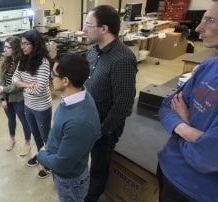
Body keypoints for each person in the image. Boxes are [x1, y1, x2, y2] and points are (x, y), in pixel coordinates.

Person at [157, 0, 218, 201]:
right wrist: (192, 132)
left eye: (210, 20)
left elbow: (208, 157)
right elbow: (165, 107)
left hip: (195, 191)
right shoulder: (208, 66)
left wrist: (183, 123)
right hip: (167, 167)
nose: (198, 27)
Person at [82, 5, 138, 201]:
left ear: (104, 29)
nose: (84, 29)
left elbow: (124, 104)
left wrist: (102, 130)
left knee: (99, 166)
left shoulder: (122, 59)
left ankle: (91, 197)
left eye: (88, 25)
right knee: (88, 160)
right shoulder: (93, 51)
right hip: (88, 119)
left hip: (105, 127)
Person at [37, 53, 101, 201]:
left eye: (53, 74)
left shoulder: (78, 122)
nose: (50, 77)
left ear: (65, 81)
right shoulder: (78, 93)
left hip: (70, 182)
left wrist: (42, 156)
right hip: (62, 163)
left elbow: (62, 165)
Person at [13, 30, 52, 179]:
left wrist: (22, 85)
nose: (22, 47)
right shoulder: (23, 59)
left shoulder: (43, 62)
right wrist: (28, 84)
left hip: (42, 107)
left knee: (46, 136)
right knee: (36, 134)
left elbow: (40, 89)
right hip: (28, 105)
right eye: (21, 44)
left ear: (34, 45)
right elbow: (15, 79)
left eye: (25, 44)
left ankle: (47, 164)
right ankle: (41, 155)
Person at [0, 36, 32, 155]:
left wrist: (4, 89)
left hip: (19, 98)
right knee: (10, 119)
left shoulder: (22, 63)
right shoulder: (5, 60)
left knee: (24, 121)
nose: (5, 49)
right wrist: (2, 97)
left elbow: (17, 85)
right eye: (4, 46)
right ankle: (12, 139)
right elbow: (1, 80)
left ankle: (27, 143)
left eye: (8, 47)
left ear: (15, 49)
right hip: (6, 97)